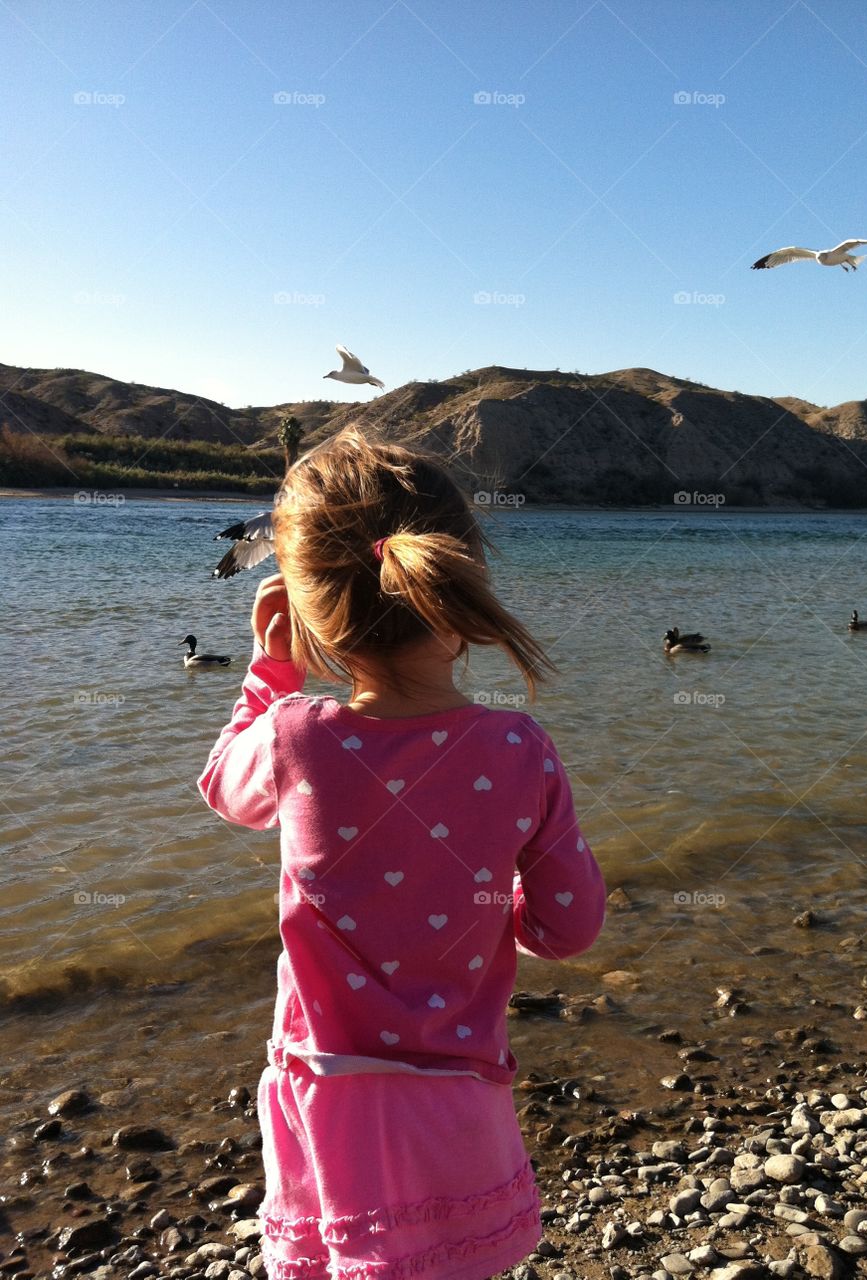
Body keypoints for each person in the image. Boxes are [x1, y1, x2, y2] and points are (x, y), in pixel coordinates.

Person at [198, 426, 606, 1280]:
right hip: (461, 1095)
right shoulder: (518, 748)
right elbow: (568, 928)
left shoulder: (292, 736)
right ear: (461, 582)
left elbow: (224, 795)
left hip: (327, 1095)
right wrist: (500, 914)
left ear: (304, 606)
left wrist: (270, 673)